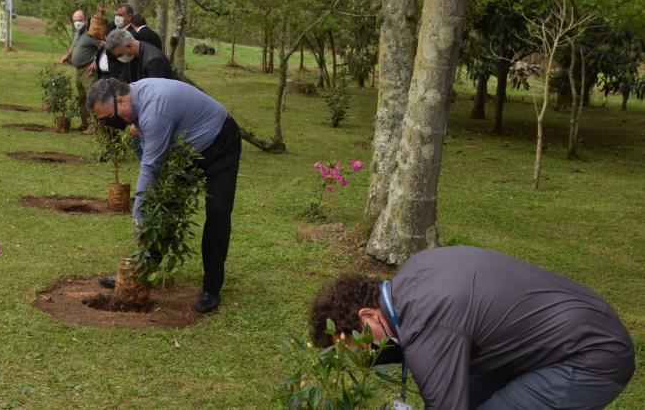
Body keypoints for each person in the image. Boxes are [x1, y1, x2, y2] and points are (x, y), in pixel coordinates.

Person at [309, 246, 635, 410]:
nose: (370, 359)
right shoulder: (414, 273)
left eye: (362, 349)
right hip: (579, 327)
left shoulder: (425, 327)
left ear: (368, 317)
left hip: (590, 357)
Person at [86, 78, 241, 314]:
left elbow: (151, 167)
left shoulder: (154, 110)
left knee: (218, 212)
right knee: (164, 206)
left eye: (109, 117)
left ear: (120, 100)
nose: (112, 123)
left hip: (221, 142)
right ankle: (142, 273)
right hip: (188, 148)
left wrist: (139, 216)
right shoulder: (135, 96)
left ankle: (211, 288)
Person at [60, 9, 102, 133]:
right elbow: (73, 46)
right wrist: (67, 56)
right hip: (78, 70)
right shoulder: (77, 33)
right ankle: (85, 123)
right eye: (75, 20)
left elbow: (102, 45)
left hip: (88, 71)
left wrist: (96, 59)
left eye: (80, 20)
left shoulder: (91, 33)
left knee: (91, 97)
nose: (77, 22)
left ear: (85, 19)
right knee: (82, 98)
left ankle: (94, 126)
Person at [105, 28, 173, 81]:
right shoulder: (131, 56)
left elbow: (153, 91)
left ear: (129, 45)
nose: (119, 58)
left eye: (120, 55)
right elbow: (124, 80)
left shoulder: (154, 60)